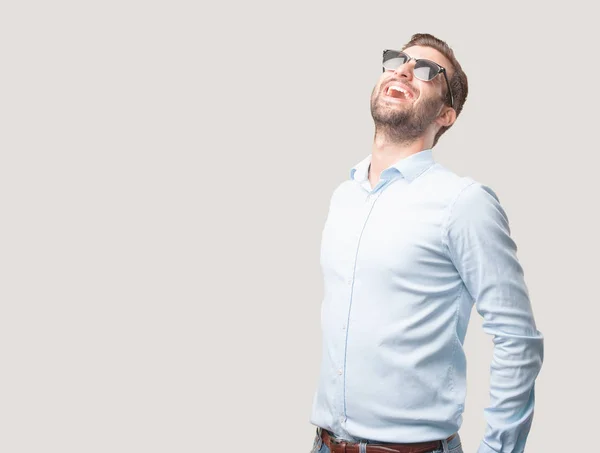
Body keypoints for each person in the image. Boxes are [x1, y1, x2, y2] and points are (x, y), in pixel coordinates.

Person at [309, 33, 544, 453]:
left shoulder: (462, 203)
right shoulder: (343, 195)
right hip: (323, 444)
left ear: (446, 114)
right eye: (398, 61)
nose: (402, 70)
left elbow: (518, 338)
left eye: (425, 70)